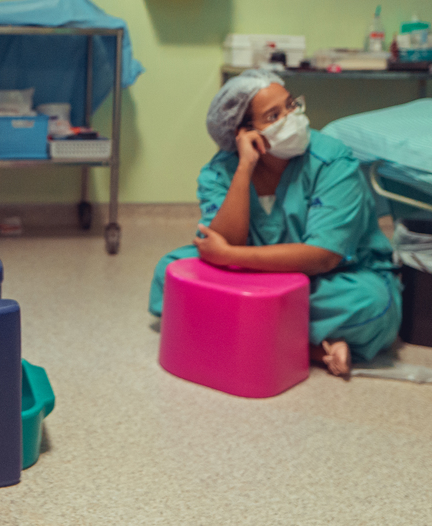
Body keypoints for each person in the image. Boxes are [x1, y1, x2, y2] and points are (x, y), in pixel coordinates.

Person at [147, 69, 402, 377]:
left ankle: (244, 328)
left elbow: (323, 256)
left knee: (374, 304)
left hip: (330, 277)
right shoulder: (219, 172)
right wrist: (245, 168)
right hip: (252, 274)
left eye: (291, 105)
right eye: (273, 115)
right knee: (169, 271)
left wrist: (230, 257)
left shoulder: (332, 161)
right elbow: (224, 239)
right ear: (244, 132)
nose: (291, 118)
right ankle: (313, 347)